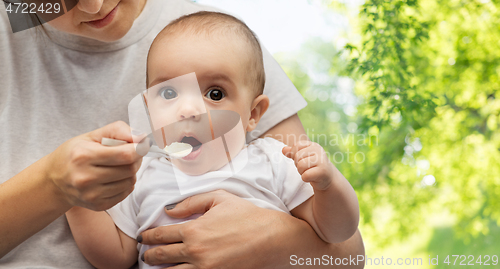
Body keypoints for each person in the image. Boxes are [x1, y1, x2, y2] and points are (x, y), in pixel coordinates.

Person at [0, 0, 365, 268]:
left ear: (254, 114)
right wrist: (72, 198)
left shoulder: (271, 157)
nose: (95, 5)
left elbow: (344, 246)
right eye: (169, 94)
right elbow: (116, 256)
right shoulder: (144, 175)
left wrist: (327, 187)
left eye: (215, 94)